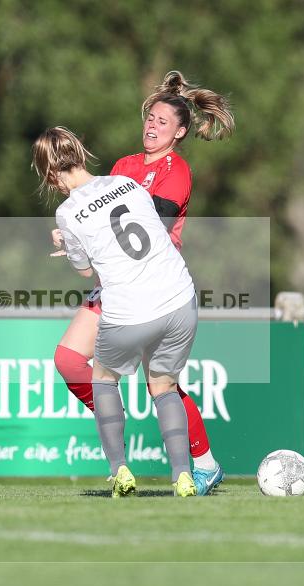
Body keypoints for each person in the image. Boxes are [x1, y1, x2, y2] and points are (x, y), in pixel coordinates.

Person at [51, 71, 234, 496]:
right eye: (150, 118)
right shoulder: (124, 167)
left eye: (163, 122)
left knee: (161, 384)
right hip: (114, 283)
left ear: (180, 132)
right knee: (67, 360)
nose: (152, 125)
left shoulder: (177, 170)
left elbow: (154, 224)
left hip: (152, 284)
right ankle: (119, 423)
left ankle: (204, 465)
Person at [33, 126, 199, 497]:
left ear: (50, 173)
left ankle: (120, 470)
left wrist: (64, 239)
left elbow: (85, 270)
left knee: (104, 381)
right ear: (79, 153)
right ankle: (183, 476)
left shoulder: (68, 211)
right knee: (164, 388)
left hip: (131, 309)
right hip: (180, 298)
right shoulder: (129, 184)